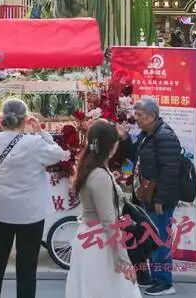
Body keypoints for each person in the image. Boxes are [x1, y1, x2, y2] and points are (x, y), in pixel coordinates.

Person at [0, 99, 67, 298]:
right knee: (27, 270)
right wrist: (41, 132)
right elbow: (59, 154)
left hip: (0, 213)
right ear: (26, 120)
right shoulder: (35, 143)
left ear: (2, 118)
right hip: (30, 215)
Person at [65, 119, 140, 298]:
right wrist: (123, 259)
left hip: (92, 238)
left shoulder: (93, 168)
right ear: (112, 146)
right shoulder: (99, 175)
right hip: (100, 242)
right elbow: (109, 221)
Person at [118, 97, 183, 295]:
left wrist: (160, 199)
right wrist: (125, 139)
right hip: (147, 197)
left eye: (140, 115)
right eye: (136, 114)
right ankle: (155, 278)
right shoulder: (147, 135)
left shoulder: (164, 136)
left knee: (160, 238)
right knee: (151, 238)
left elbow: (170, 171)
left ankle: (164, 283)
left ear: (153, 115)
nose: (136, 118)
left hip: (159, 199)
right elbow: (136, 157)